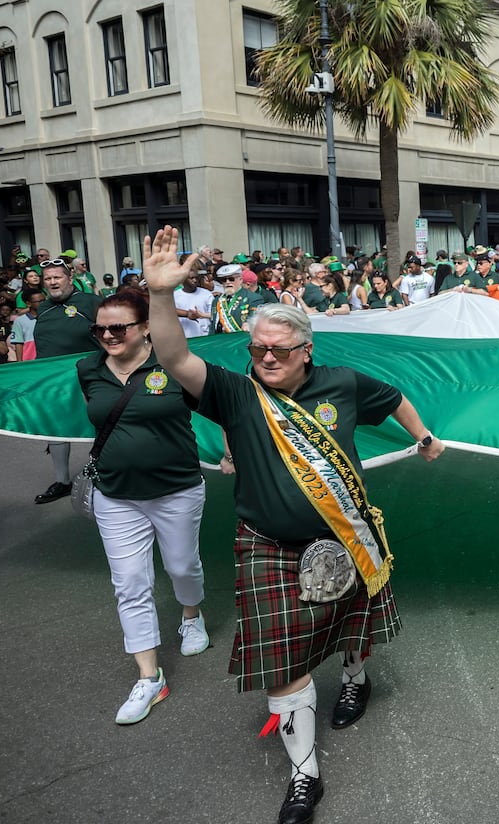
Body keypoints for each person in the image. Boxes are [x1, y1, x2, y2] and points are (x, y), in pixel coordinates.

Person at [142, 226, 444, 824]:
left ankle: (354, 679)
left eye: (280, 350)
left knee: (350, 624)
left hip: (344, 533)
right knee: (283, 664)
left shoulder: (344, 383)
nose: (269, 359)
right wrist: (158, 296)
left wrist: (424, 436)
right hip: (267, 544)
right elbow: (174, 358)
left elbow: (395, 397)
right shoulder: (235, 394)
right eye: (259, 350)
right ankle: (306, 775)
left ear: (307, 348)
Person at [77, 289, 210, 724]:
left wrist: (230, 450)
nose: (108, 335)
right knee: (130, 583)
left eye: (119, 327)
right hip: (116, 496)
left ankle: (191, 615)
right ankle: (149, 677)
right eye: (101, 328)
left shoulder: (173, 363)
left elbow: (220, 405)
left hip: (177, 490)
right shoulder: (87, 369)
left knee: (181, 567)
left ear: (146, 326)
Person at [31, 258, 102, 504]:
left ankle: (102, 475)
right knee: (56, 428)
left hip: (91, 374)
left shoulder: (91, 302)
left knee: (100, 423)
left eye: (57, 277)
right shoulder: (43, 308)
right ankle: (62, 481)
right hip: (54, 379)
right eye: (48, 278)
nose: (52, 282)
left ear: (70, 279)